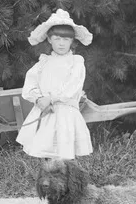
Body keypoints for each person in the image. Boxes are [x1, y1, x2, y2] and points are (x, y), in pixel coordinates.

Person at [16, 9, 94, 160]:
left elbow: (73, 87)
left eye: (66, 40)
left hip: (65, 111)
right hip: (46, 110)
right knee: (46, 148)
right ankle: (48, 178)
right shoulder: (44, 62)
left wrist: (51, 98)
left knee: (64, 150)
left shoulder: (76, 62)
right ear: (49, 40)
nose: (61, 43)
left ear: (72, 41)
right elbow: (30, 82)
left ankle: (65, 178)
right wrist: (39, 99)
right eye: (57, 39)